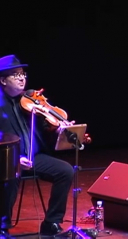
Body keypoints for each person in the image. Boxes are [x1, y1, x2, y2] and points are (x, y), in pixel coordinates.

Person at [0, 55, 74, 237]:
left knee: (65, 171)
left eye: (22, 74)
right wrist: (15, 159)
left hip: (34, 158)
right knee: (10, 175)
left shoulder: (30, 100)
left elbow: (44, 128)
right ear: (3, 80)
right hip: (7, 160)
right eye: (15, 75)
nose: (21, 78)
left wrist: (57, 129)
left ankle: (52, 222)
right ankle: (2, 226)